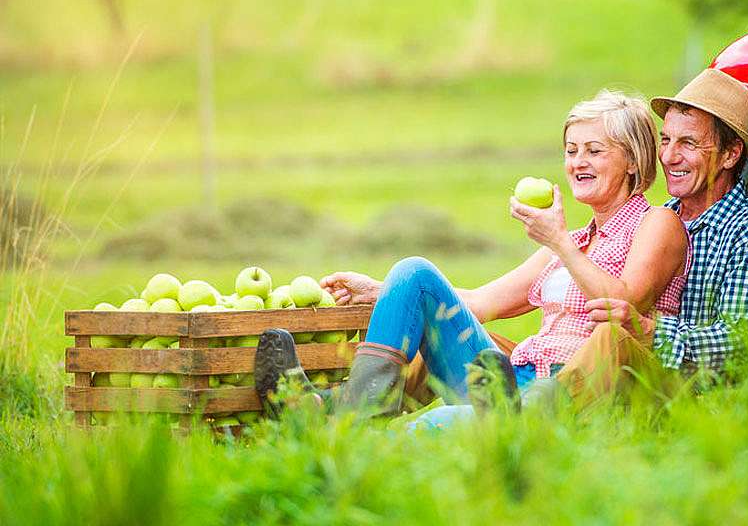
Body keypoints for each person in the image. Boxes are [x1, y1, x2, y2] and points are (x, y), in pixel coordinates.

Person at [253, 90, 690, 420]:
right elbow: (479, 303)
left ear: (633, 161)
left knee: (433, 428)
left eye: (594, 151)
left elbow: (622, 304)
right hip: (514, 377)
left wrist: (558, 242)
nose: (578, 162)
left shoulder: (656, 224)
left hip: (566, 393)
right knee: (414, 273)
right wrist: (382, 291)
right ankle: (339, 406)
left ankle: (334, 419)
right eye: (571, 150)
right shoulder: (572, 240)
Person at [538, 68, 748, 406]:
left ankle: (523, 418)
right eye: (666, 139)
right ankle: (510, 403)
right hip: (639, 382)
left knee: (611, 338)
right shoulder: (658, 217)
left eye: (688, 143)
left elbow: (740, 347)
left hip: (700, 402)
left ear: (730, 154)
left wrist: (649, 331)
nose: (669, 156)